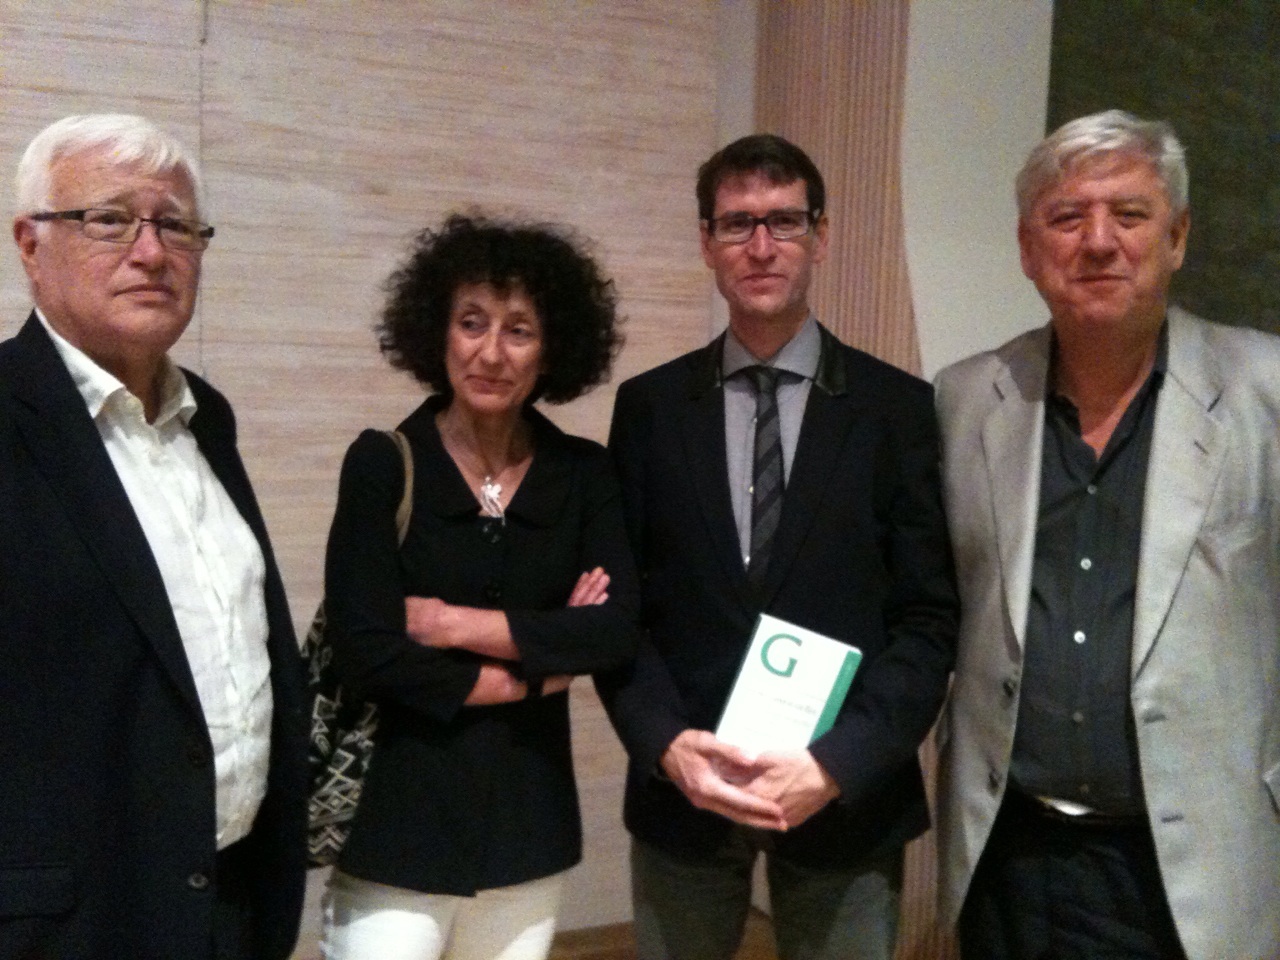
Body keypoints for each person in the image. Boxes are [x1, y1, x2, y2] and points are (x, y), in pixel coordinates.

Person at [598, 134, 959, 960]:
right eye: (737, 224)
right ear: (706, 242)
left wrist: (837, 763)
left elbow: (928, 619)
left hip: (843, 796)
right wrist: (664, 744)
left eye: (784, 221)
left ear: (820, 236)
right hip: (686, 787)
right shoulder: (649, 409)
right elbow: (622, 607)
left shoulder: (897, 411)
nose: (761, 247)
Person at [934, 109, 1280, 960]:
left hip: (1191, 863)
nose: (1097, 242)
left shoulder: (1266, 393)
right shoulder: (965, 399)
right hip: (1008, 852)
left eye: (1129, 214)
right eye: (1067, 217)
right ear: (1028, 248)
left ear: (1178, 236)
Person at [0, 114, 307, 959]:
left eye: (175, 226)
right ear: (31, 245)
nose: (150, 252)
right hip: (65, 929)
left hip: (229, 908)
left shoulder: (208, 419)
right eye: (108, 220)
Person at [320, 213, 640, 960]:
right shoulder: (382, 464)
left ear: (552, 348)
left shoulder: (584, 473)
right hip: (398, 830)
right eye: (472, 323)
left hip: (529, 831)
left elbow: (614, 630)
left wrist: (450, 625)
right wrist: (540, 668)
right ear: (438, 332)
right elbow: (366, 651)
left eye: (519, 330)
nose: (491, 352)